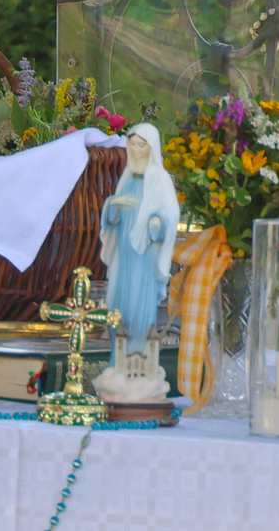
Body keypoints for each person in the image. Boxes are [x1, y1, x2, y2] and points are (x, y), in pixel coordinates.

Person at [95, 122, 179, 400]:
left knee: (140, 311)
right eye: (131, 143)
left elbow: (170, 213)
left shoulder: (160, 178)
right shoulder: (128, 176)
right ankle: (117, 365)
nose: (135, 149)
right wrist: (113, 207)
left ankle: (141, 369)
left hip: (144, 260)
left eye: (141, 144)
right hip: (124, 259)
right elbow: (112, 213)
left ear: (151, 147)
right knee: (118, 306)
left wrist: (157, 221)